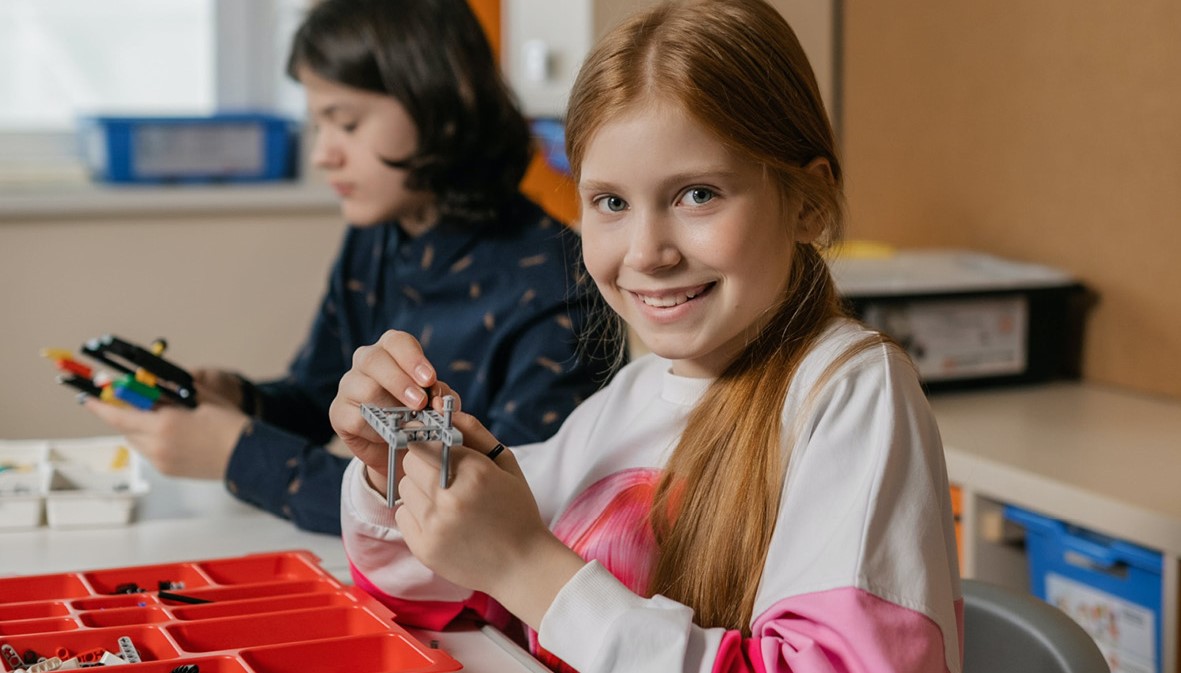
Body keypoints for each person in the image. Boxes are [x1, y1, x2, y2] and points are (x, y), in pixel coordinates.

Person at [331, 0, 963, 670]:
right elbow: (436, 599)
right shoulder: (628, 401)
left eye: (696, 194)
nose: (646, 251)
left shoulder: (850, 390)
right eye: (611, 202)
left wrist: (524, 565)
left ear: (807, 201)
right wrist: (396, 471)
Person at [84, 0, 610, 535]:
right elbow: (318, 398)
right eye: (318, 124)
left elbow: (495, 514)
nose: (322, 155)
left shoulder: (559, 287)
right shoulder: (378, 236)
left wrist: (235, 455)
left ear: (444, 107)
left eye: (347, 123)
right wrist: (237, 399)